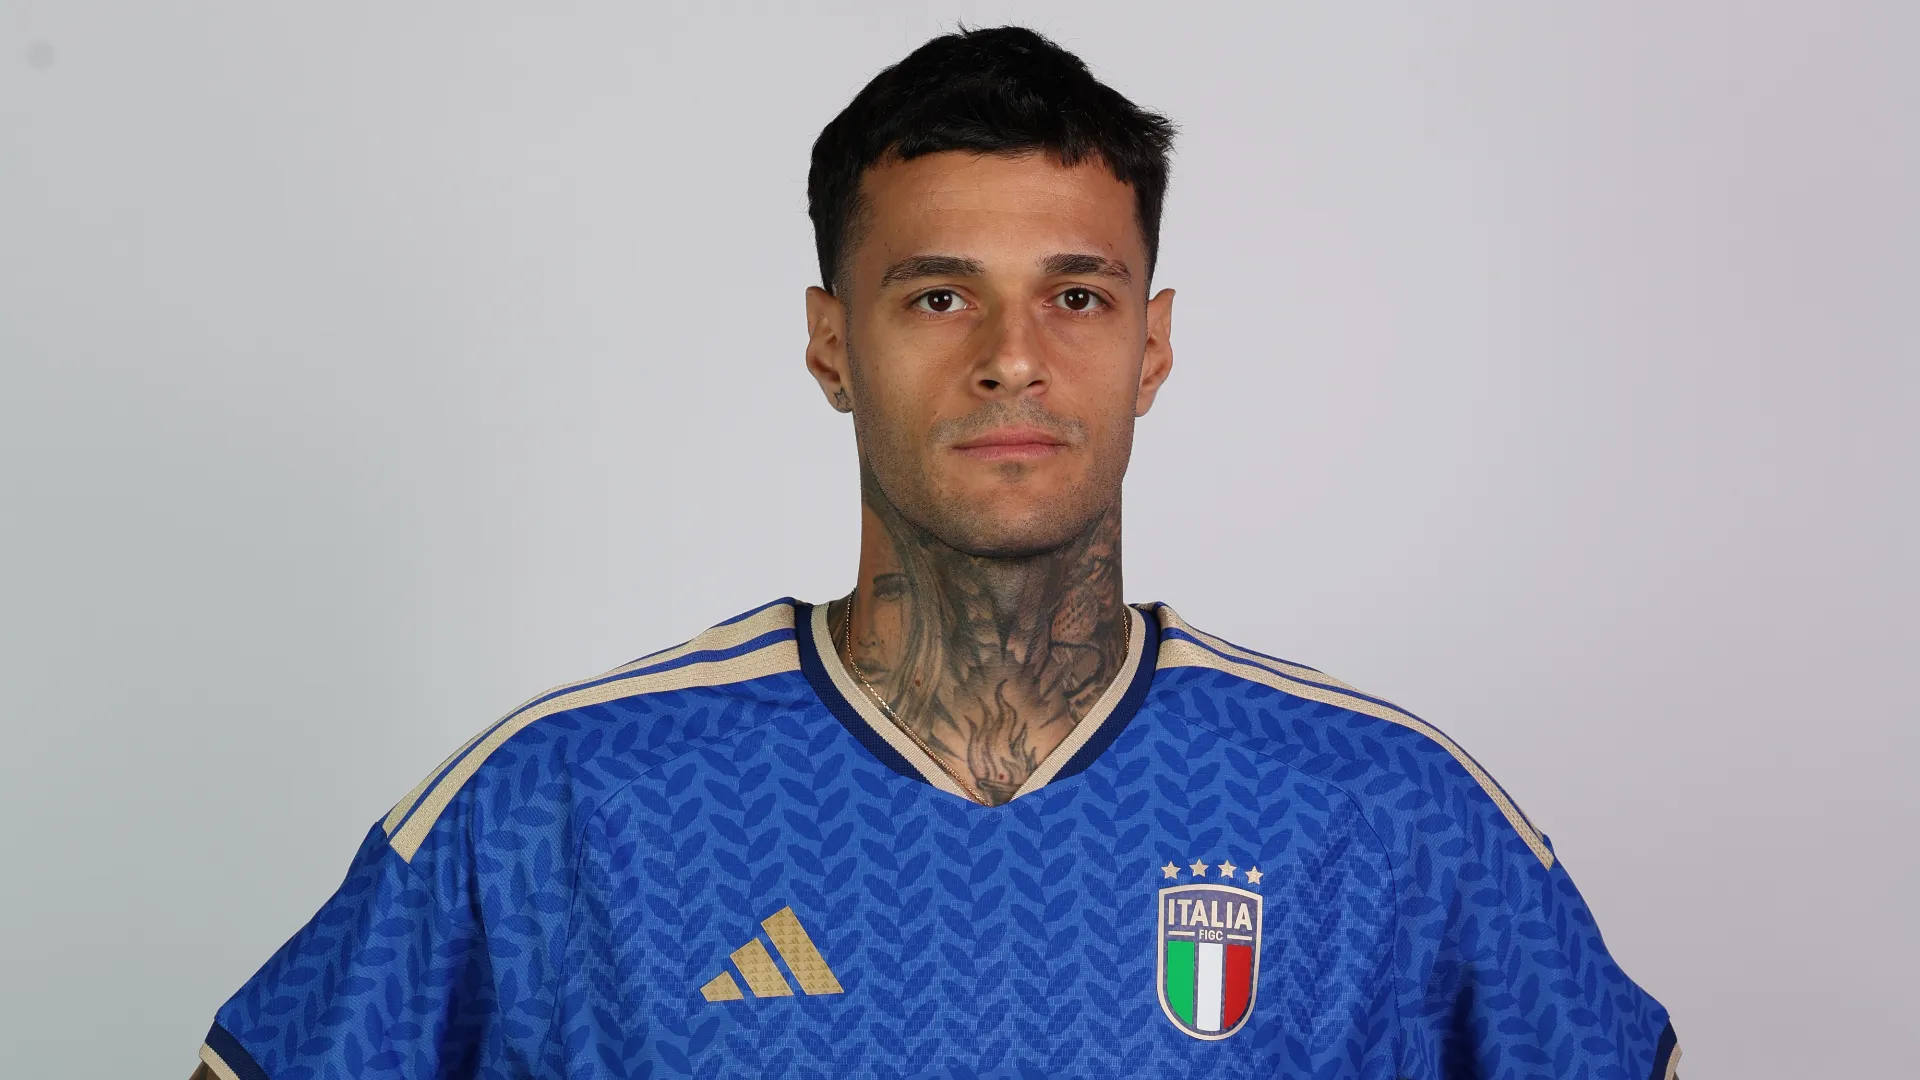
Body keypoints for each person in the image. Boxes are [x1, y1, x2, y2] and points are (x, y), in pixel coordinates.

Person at [192, 25, 1677, 1080]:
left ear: (1154, 345)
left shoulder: (1390, 811)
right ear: (832, 342)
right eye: (939, 297)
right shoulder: (563, 804)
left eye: (1078, 297)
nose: (1013, 357)